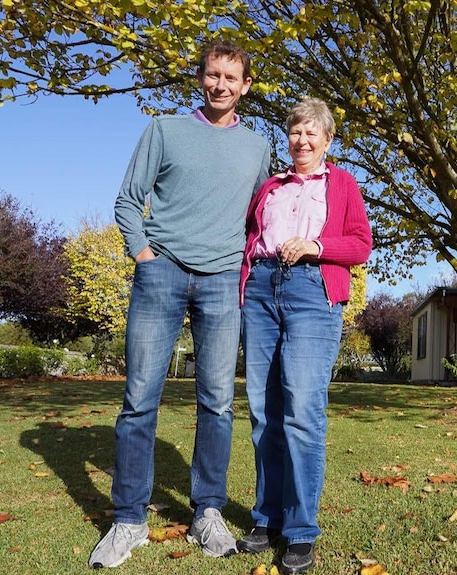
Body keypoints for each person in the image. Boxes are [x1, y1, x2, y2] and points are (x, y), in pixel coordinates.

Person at [88, 39, 271, 569]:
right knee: (140, 398)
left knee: (217, 401)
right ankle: (128, 520)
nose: (221, 85)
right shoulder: (164, 130)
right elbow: (128, 197)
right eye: (213, 75)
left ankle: (208, 512)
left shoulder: (258, 148)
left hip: (220, 282)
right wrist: (143, 254)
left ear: (245, 86)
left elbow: (260, 216)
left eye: (231, 78)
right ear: (201, 78)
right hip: (161, 272)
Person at [236, 97, 372, 574]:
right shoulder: (271, 186)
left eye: (312, 133)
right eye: (296, 132)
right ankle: (267, 516)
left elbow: (360, 245)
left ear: (327, 140)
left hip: (313, 292)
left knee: (302, 412)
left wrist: (317, 245)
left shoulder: (343, 184)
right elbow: (250, 238)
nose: (303, 141)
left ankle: (300, 530)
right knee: (262, 411)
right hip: (261, 292)